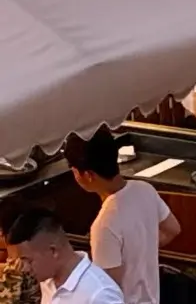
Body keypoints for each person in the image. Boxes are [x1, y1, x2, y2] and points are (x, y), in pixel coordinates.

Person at [64, 130, 180, 304]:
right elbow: (173, 229)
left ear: (87, 175)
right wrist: (141, 251)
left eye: (74, 171)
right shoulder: (145, 189)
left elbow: (107, 290)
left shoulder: (104, 225)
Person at [5, 208, 125, 304]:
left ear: (53, 251)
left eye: (29, 261)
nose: (25, 268)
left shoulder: (100, 294)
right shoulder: (47, 280)